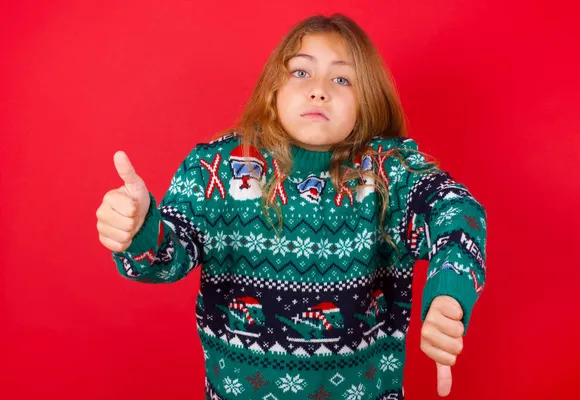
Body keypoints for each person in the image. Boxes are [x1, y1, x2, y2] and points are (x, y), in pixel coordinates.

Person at [96, 13, 487, 400]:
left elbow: (457, 211)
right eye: (301, 72)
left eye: (341, 78)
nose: (319, 90)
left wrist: (448, 294)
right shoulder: (213, 167)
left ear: (366, 99)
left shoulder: (391, 171)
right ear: (273, 88)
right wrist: (140, 226)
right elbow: (167, 258)